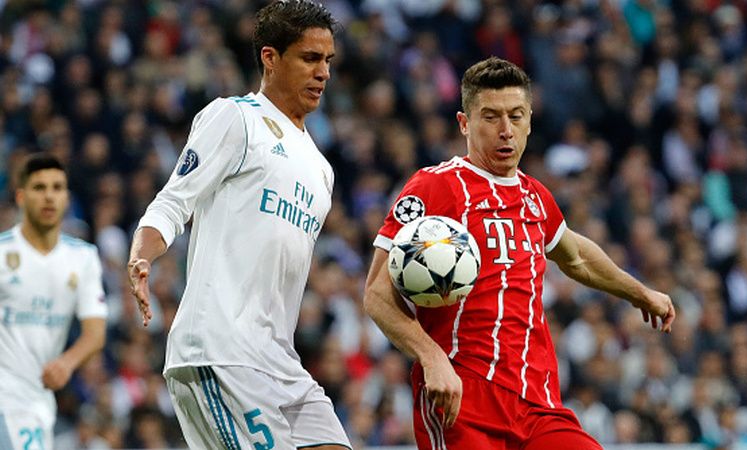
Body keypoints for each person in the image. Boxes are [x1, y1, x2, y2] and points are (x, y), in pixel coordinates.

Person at [363, 57, 676, 449]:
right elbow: (377, 293)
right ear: (464, 123)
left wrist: (639, 292)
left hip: (539, 405)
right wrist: (431, 358)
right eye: (490, 117)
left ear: (530, 120)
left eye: (516, 115)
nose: (505, 130)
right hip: (465, 399)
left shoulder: (536, 197)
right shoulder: (433, 188)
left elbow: (574, 255)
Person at [126, 1, 351, 449]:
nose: (323, 72)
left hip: (281, 362)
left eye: (327, 60)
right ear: (271, 57)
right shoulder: (236, 118)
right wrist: (141, 255)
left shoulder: (322, 170)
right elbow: (173, 201)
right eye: (309, 58)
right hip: (220, 351)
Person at [0, 153, 107, 450]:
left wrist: (67, 362)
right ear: (21, 197)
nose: (49, 196)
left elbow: (95, 333)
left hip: (40, 399)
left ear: (67, 197)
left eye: (57, 188)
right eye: (39, 188)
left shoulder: (83, 257)